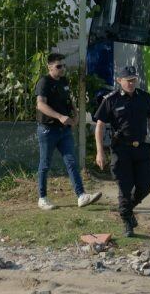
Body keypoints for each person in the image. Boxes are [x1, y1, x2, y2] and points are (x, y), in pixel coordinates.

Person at [94, 65, 150, 237]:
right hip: (121, 149)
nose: (132, 83)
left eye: (134, 80)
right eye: (128, 80)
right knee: (124, 187)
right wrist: (100, 151)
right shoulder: (111, 99)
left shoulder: (144, 97)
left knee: (147, 182)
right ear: (119, 81)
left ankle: (127, 209)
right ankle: (127, 223)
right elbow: (100, 126)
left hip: (140, 148)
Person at [35, 52, 102, 210]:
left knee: (71, 161)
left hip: (64, 130)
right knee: (45, 164)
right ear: (49, 67)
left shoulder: (64, 81)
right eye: (58, 66)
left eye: (64, 65)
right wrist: (59, 116)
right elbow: (40, 105)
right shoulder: (44, 82)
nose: (62, 69)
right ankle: (42, 198)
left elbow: (68, 99)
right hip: (48, 130)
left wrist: (76, 113)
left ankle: (81, 195)